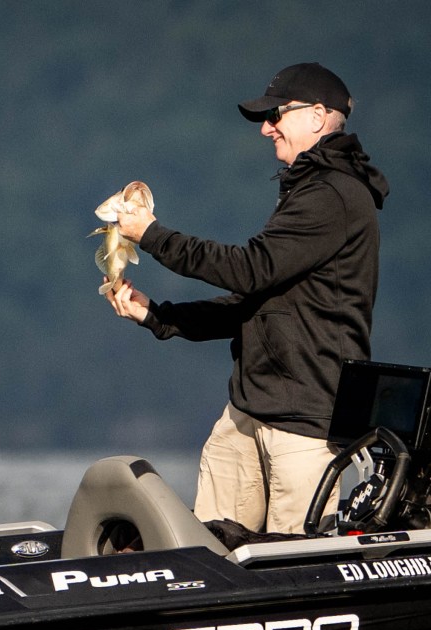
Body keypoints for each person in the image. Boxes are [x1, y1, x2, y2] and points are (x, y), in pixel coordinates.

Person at [104, 63, 389, 534]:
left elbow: (248, 269)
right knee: (208, 556)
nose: (265, 128)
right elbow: (252, 303)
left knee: (291, 566)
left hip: (305, 427)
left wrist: (151, 235)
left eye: (276, 115)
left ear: (318, 116)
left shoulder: (333, 194)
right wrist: (157, 315)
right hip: (246, 414)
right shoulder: (306, 189)